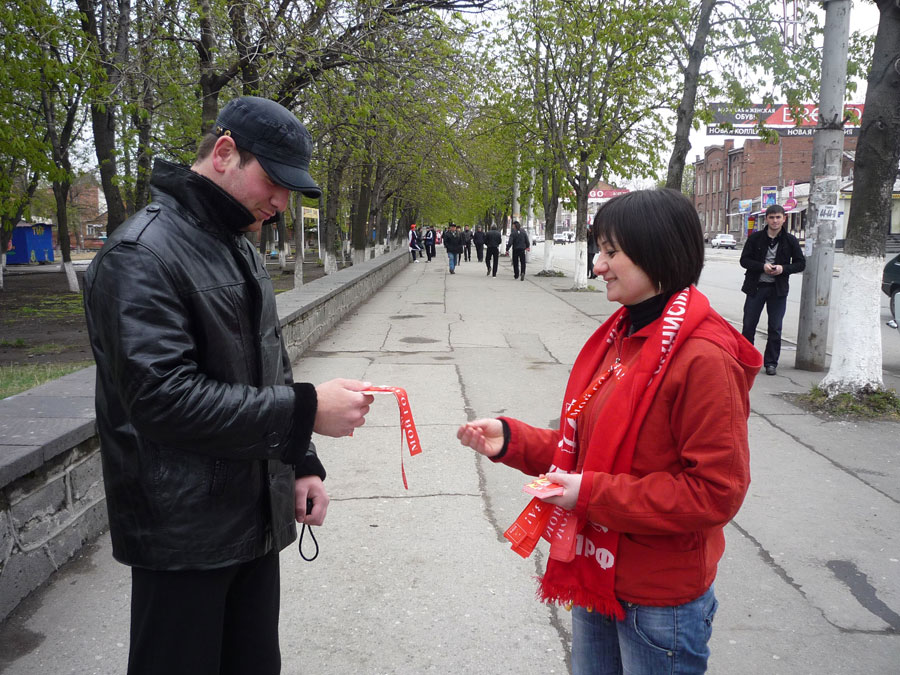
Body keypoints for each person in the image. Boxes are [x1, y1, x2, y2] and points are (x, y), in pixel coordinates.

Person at [83, 95, 375, 675]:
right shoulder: (139, 254)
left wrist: (302, 461)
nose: (282, 202)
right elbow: (162, 400)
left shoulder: (236, 242)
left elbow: (269, 362)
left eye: (290, 189)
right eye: (274, 182)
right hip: (183, 533)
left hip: (252, 513)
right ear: (224, 154)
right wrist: (307, 411)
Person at [457, 189, 761, 675]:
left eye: (611, 252)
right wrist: (511, 440)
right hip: (598, 574)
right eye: (598, 250)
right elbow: (586, 452)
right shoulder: (622, 337)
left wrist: (589, 494)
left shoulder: (703, 358)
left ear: (656, 252)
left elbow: (714, 492)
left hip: (658, 601)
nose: (598, 265)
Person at [739, 203, 806, 376]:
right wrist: (762, 266)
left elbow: (800, 263)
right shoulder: (755, 238)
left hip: (778, 290)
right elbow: (744, 260)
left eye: (778, 217)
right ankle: (746, 360)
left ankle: (771, 363)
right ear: (766, 219)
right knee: (748, 326)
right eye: (771, 217)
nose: (775, 221)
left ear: (784, 219)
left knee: (775, 327)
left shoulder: (790, 240)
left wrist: (783, 268)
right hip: (756, 288)